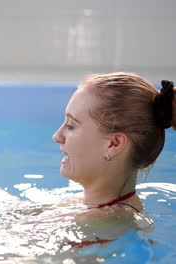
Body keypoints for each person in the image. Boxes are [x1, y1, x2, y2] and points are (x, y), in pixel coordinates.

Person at [52, 72, 175, 221]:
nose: (57, 136)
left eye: (71, 126)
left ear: (113, 144)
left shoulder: (98, 225)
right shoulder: (89, 206)